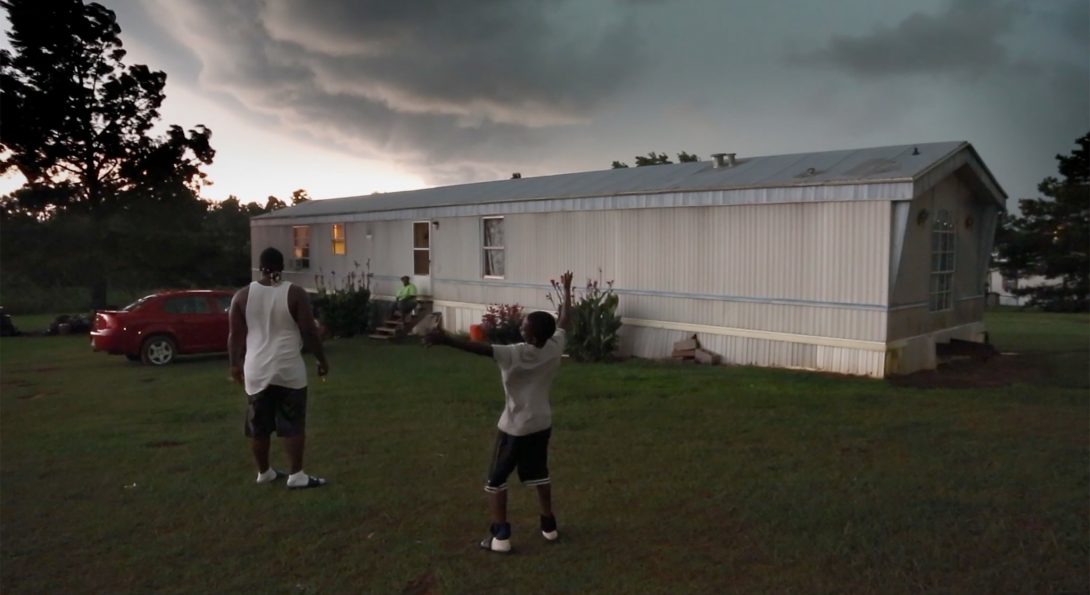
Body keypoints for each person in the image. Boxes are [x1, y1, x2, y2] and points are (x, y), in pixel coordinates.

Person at [425, 271, 574, 553]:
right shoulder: (554, 347)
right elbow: (566, 321)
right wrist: (567, 291)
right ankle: (549, 526)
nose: (521, 327)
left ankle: (501, 537)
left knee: (496, 481)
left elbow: (478, 348)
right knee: (539, 474)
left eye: (524, 326)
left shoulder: (513, 353)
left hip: (514, 428)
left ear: (530, 334)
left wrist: (445, 339)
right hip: (542, 423)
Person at [229, 247, 330, 489]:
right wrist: (321, 360)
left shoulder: (241, 296)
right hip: (288, 368)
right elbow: (308, 330)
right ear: (281, 266)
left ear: (259, 267)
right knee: (293, 423)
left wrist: (234, 364)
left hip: (256, 369)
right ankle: (296, 475)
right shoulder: (294, 293)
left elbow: (235, 335)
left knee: (259, 425)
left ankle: (264, 471)